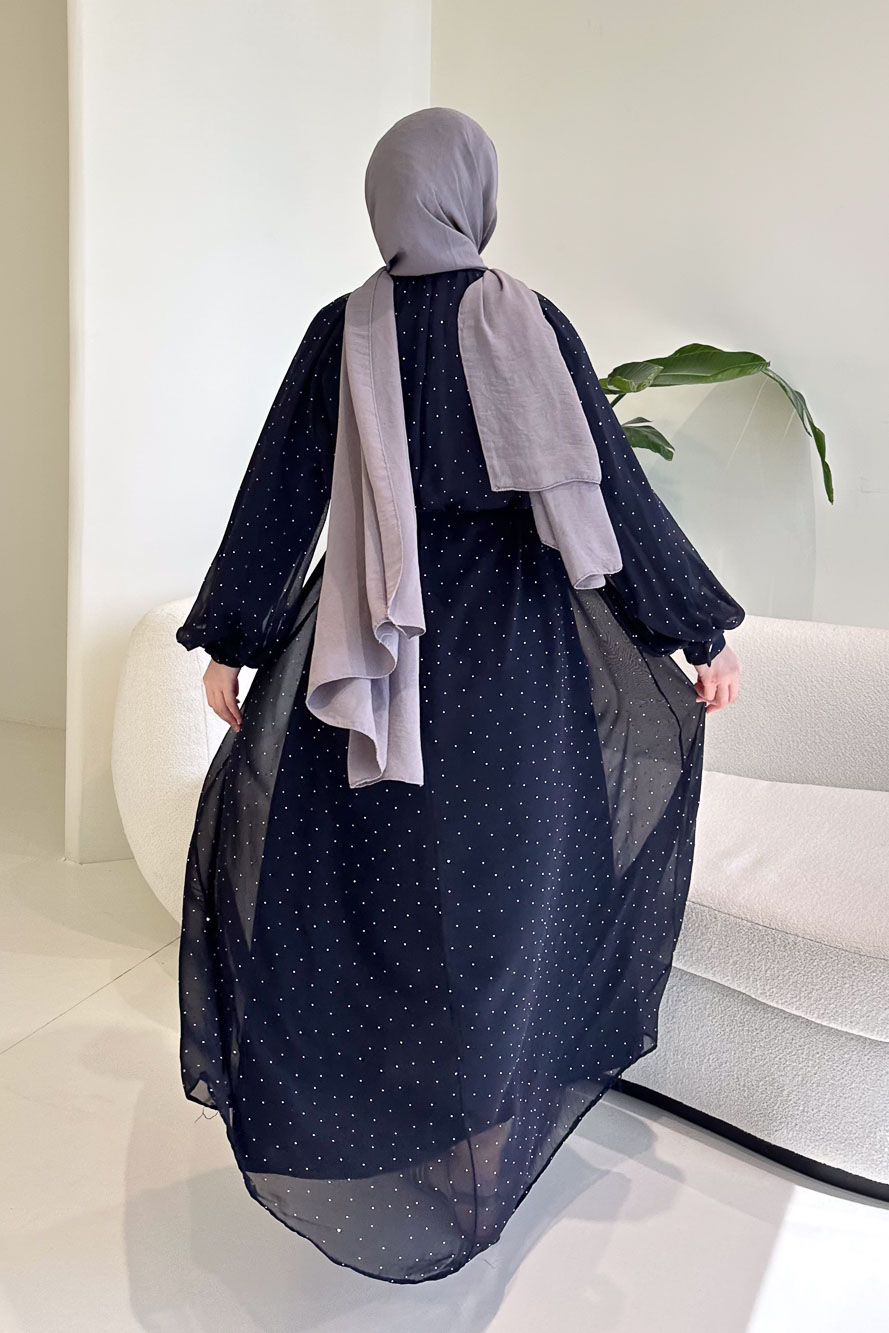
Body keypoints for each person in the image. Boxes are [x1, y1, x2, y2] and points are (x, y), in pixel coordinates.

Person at [175, 106, 743, 1284]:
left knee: (380, 893)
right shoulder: (527, 319)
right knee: (509, 893)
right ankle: (487, 1115)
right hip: (514, 656)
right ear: (472, 195)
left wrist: (232, 636)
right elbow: (607, 486)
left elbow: (280, 492)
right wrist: (693, 625)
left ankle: (391, 1117)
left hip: (371, 658)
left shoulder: (343, 330)